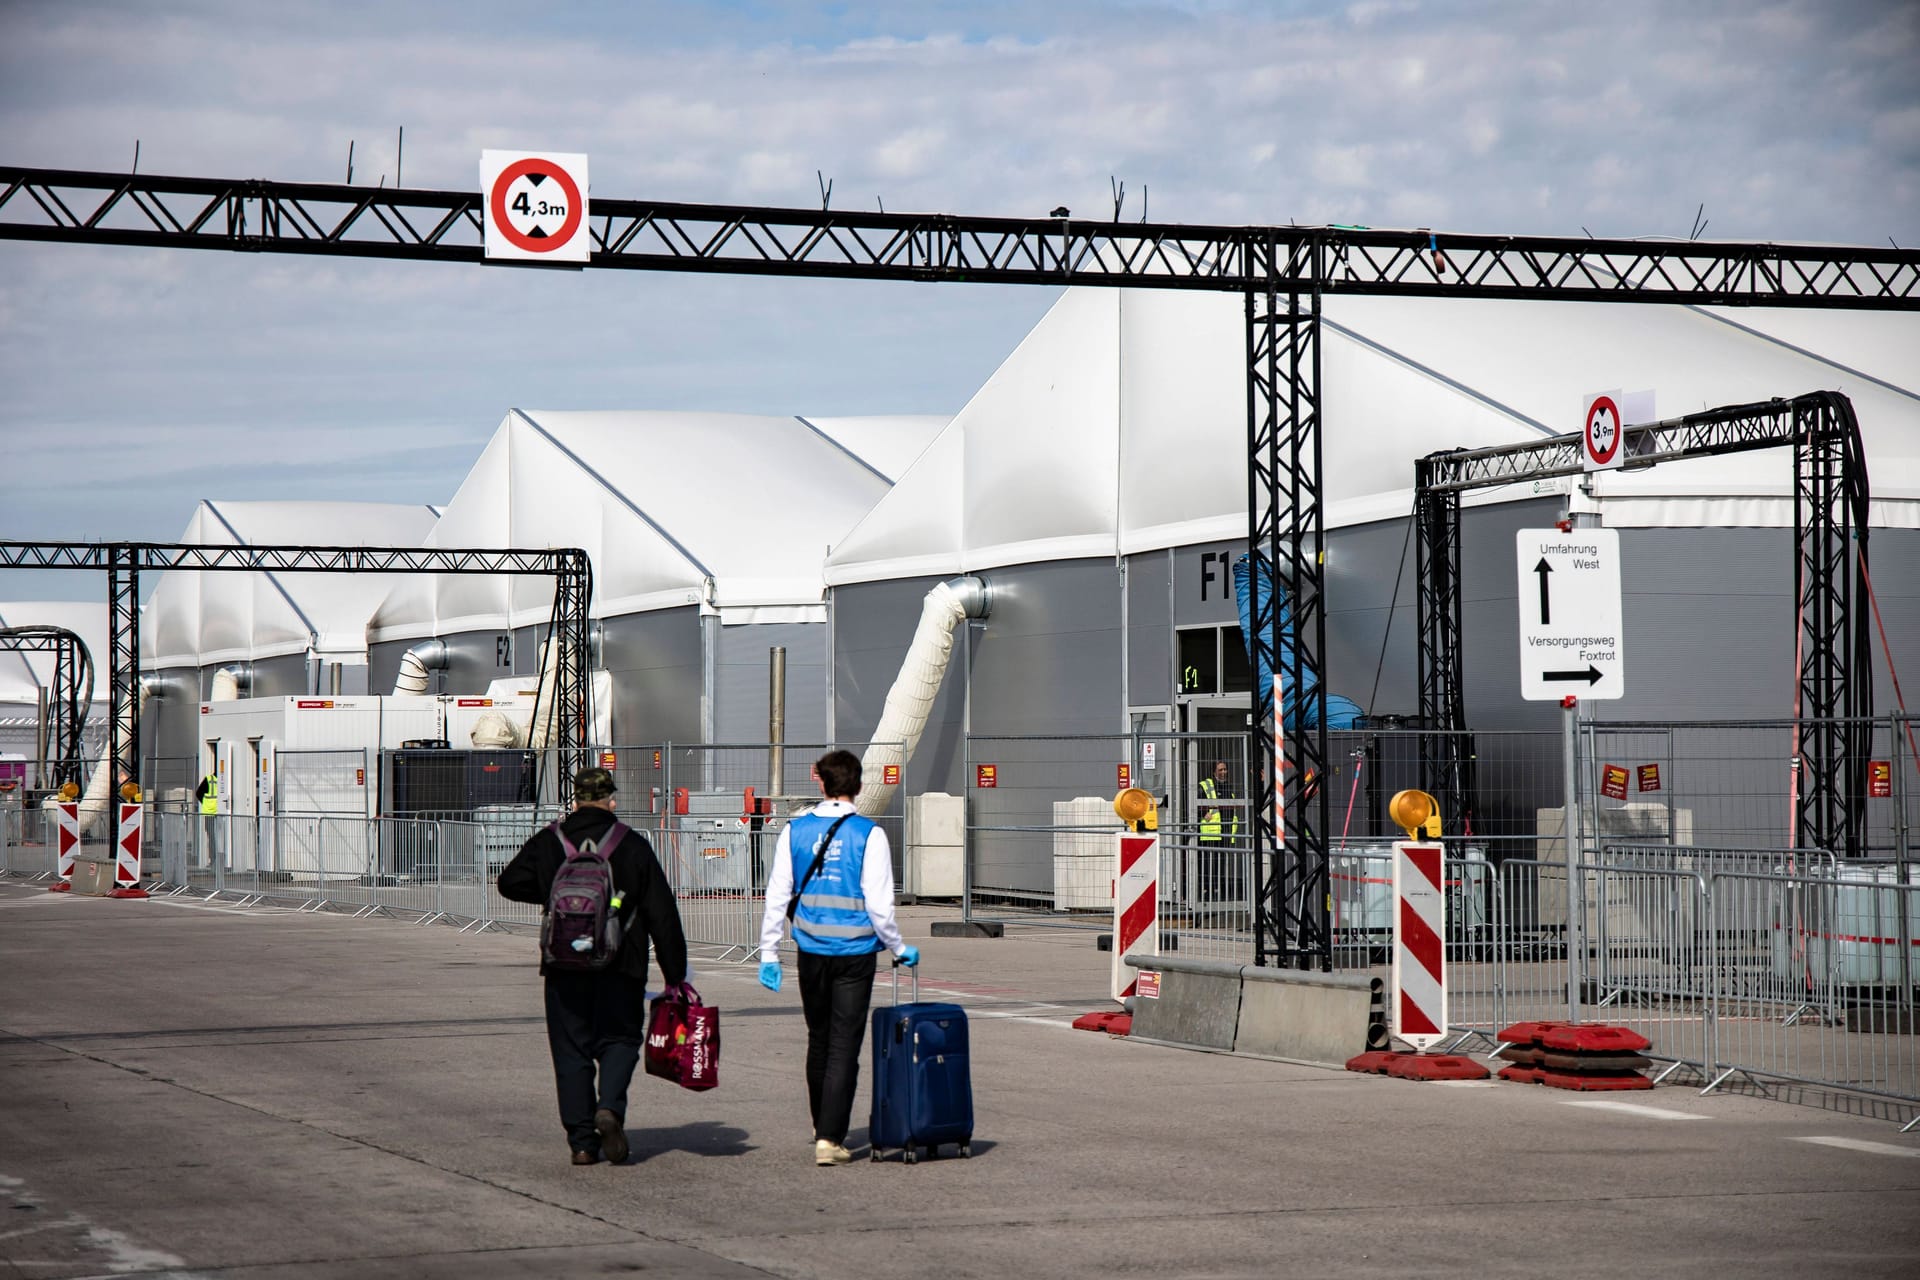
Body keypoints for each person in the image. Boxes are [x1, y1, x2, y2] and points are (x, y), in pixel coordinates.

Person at [497, 766, 688, 1166]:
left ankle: (583, 1143)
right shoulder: (632, 844)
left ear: (576, 799)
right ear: (611, 800)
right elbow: (662, 913)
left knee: (571, 1051)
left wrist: (553, 894)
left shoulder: (550, 841)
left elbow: (508, 882)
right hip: (622, 965)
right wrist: (675, 976)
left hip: (564, 966)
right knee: (619, 1040)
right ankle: (610, 1109)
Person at [758, 749, 919, 1167]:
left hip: (810, 950)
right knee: (845, 1044)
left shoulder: (793, 830)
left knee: (819, 1038)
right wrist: (900, 949)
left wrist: (769, 953)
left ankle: (820, 1123)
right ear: (860, 785)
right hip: (855, 953)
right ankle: (830, 1138)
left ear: (819, 781)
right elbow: (880, 904)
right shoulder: (870, 834)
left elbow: (777, 894)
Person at [1197, 760, 1242, 904]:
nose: (1224, 772)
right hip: (1210, 831)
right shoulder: (1206, 785)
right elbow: (1197, 803)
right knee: (1208, 863)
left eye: (1225, 769)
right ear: (1214, 771)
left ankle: (1217, 891)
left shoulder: (1228, 787)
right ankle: (1206, 890)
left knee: (1220, 863)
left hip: (1225, 830)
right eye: (1221, 769)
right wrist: (1204, 813)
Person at [194, 767, 222, 868]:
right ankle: (215, 859)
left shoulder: (210, 779)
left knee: (212, 837)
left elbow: (198, 793)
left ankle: (215, 859)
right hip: (215, 813)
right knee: (215, 837)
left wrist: (205, 803)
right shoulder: (218, 780)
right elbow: (198, 793)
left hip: (211, 812)